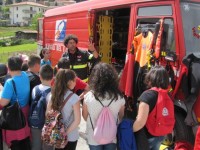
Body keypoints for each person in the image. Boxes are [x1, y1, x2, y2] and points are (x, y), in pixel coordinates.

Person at [82, 63, 125, 150]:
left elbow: (85, 116)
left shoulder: (89, 96)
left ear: (95, 78)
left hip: (93, 136)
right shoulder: (119, 97)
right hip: (111, 136)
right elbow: (121, 116)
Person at [132, 65, 171, 150]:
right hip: (160, 135)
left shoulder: (147, 96)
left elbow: (140, 123)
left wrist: (128, 131)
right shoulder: (167, 95)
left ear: (151, 78)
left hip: (146, 137)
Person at [0, 56, 31, 150]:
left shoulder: (10, 82)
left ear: (8, 68)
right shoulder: (25, 75)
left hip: (16, 115)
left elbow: (3, 102)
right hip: (26, 111)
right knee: (25, 139)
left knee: (17, 142)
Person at [46, 69, 81, 150]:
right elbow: (77, 121)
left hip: (56, 134)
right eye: (74, 80)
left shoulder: (52, 95)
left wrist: (59, 133)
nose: (76, 82)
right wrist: (65, 133)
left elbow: (47, 114)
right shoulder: (74, 98)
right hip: (71, 136)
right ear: (69, 82)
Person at [30, 64, 53, 150]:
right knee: (48, 147)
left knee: (36, 145)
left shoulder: (35, 89)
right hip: (47, 125)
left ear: (40, 76)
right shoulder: (53, 93)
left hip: (35, 122)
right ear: (52, 77)